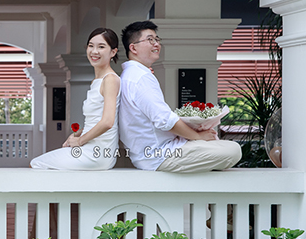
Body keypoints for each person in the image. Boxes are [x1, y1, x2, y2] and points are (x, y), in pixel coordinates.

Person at [119, 21, 242, 172]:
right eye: (150, 39)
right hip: (161, 156)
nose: (156, 44)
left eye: (157, 39)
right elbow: (164, 120)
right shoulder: (140, 77)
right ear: (133, 47)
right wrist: (198, 137)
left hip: (154, 153)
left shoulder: (129, 75)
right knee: (233, 150)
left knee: (219, 145)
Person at [31, 28, 121, 170]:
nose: (94, 51)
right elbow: (96, 120)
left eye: (101, 47)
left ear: (113, 52)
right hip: (89, 145)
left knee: (36, 164)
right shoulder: (96, 81)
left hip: (98, 153)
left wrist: (79, 141)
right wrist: (76, 134)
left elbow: (108, 122)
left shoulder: (110, 79)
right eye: (91, 46)